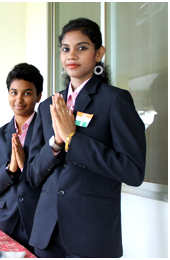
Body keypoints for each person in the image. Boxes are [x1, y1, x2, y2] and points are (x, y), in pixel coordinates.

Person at [25, 18, 146, 258]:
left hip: (91, 233)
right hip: (47, 232)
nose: (72, 55)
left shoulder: (114, 101)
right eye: (65, 48)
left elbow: (133, 171)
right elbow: (32, 175)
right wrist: (57, 145)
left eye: (82, 47)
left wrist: (73, 138)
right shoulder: (49, 105)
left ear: (98, 53)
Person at [0, 63, 43, 253]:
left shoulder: (49, 131)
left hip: (40, 221)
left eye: (27, 93)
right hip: (7, 224)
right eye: (14, 92)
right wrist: (10, 169)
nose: (19, 99)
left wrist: (26, 166)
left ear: (38, 96)